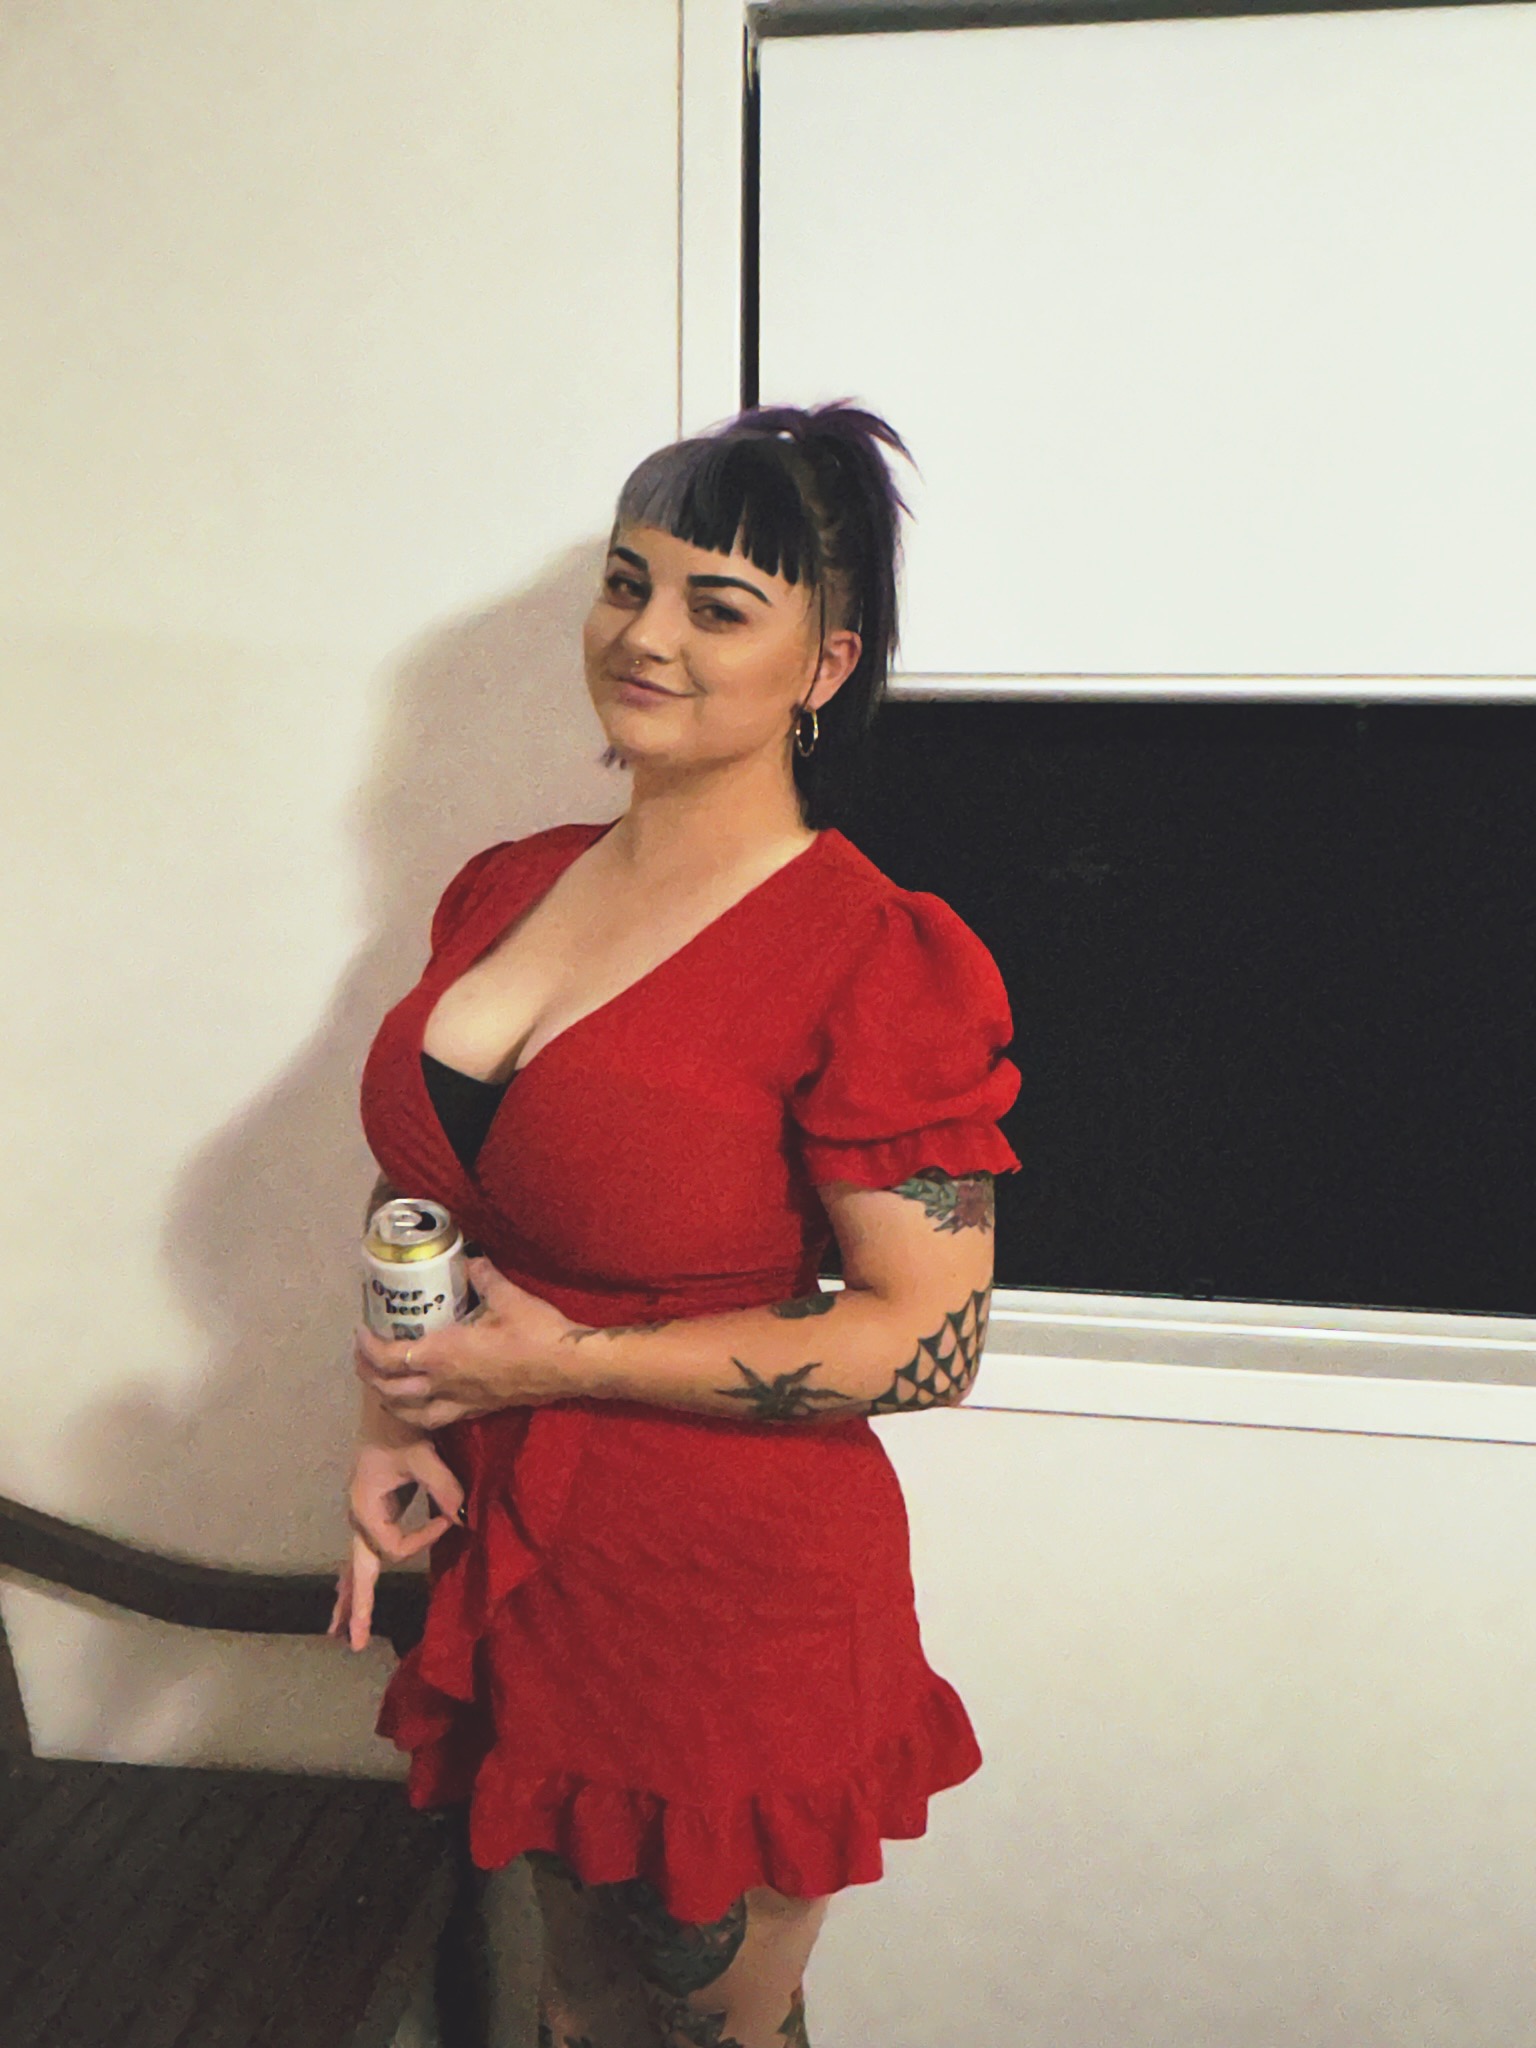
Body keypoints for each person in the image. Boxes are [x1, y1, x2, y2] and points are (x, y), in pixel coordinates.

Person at [328, 400, 1023, 2048]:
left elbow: (929, 1342)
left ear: (824, 666)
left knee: (709, 2025)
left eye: (720, 606)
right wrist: (398, 1409)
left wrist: (559, 1363)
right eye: (627, 583)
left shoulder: (874, 953)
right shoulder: (507, 885)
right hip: (524, 1551)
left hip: (727, 1595)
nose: (646, 636)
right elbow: (430, 1182)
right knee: (579, 2008)